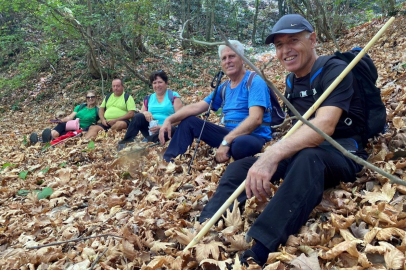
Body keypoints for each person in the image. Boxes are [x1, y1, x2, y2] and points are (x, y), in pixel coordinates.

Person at [199, 14, 367, 267]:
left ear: (312, 39)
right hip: (305, 150)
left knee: (308, 159)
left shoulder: (334, 69)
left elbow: (324, 125)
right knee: (239, 167)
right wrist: (270, 158)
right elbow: (300, 126)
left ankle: (262, 244)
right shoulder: (291, 80)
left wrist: (273, 154)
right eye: (279, 45)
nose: (285, 50)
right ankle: (206, 224)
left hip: (342, 151)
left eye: (293, 40)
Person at [159, 40, 272, 163]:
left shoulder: (254, 81)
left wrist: (226, 141)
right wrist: (169, 120)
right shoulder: (224, 87)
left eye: (232, 56)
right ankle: (168, 161)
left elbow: (256, 119)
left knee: (241, 145)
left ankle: (229, 150)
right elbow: (196, 107)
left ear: (242, 59)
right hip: (229, 135)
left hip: (252, 136)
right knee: (189, 122)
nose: (227, 61)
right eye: (224, 58)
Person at [118, 70, 183, 147]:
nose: (157, 85)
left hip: (168, 129)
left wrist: (162, 126)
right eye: (154, 83)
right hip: (151, 129)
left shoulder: (173, 96)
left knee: (171, 129)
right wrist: (145, 113)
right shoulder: (148, 98)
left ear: (166, 83)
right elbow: (139, 116)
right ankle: (126, 142)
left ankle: (145, 143)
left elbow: (180, 118)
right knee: (138, 117)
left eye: (160, 82)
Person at [29, 90, 99, 144]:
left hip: (80, 129)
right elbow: (71, 117)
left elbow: (100, 122)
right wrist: (62, 120)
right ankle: (46, 138)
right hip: (71, 125)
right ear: (86, 98)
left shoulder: (97, 110)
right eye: (88, 97)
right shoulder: (80, 107)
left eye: (92, 97)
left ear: (95, 98)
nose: (90, 99)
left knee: (63, 136)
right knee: (56, 132)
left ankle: (45, 141)